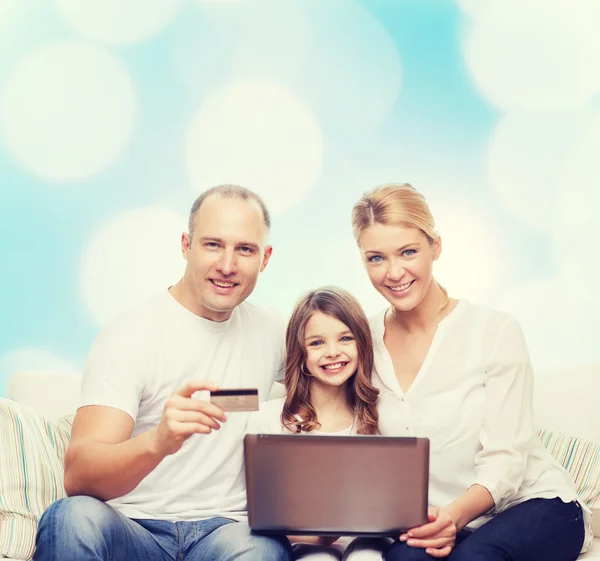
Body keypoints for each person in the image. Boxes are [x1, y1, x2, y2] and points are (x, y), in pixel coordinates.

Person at [33, 185, 292, 561]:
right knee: (71, 518)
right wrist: (159, 441)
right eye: (213, 245)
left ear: (265, 258)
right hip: (135, 528)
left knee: (263, 550)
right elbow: (79, 475)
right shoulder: (131, 335)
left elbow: (344, 377)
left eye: (245, 249)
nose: (227, 265)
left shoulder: (274, 332)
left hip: (228, 533)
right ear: (186, 246)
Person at [350, 183, 592, 561]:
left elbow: (507, 458)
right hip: (437, 519)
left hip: (533, 505)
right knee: (401, 560)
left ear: (437, 247)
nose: (394, 272)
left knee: (474, 559)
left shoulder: (494, 331)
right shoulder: (360, 342)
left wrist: (454, 517)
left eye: (408, 252)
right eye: (376, 258)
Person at [247, 286, 391, 561]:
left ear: (362, 343)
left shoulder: (378, 418)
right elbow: (260, 516)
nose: (333, 352)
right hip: (303, 545)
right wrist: (320, 536)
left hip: (368, 540)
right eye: (316, 343)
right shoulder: (270, 420)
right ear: (300, 355)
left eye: (345, 338)